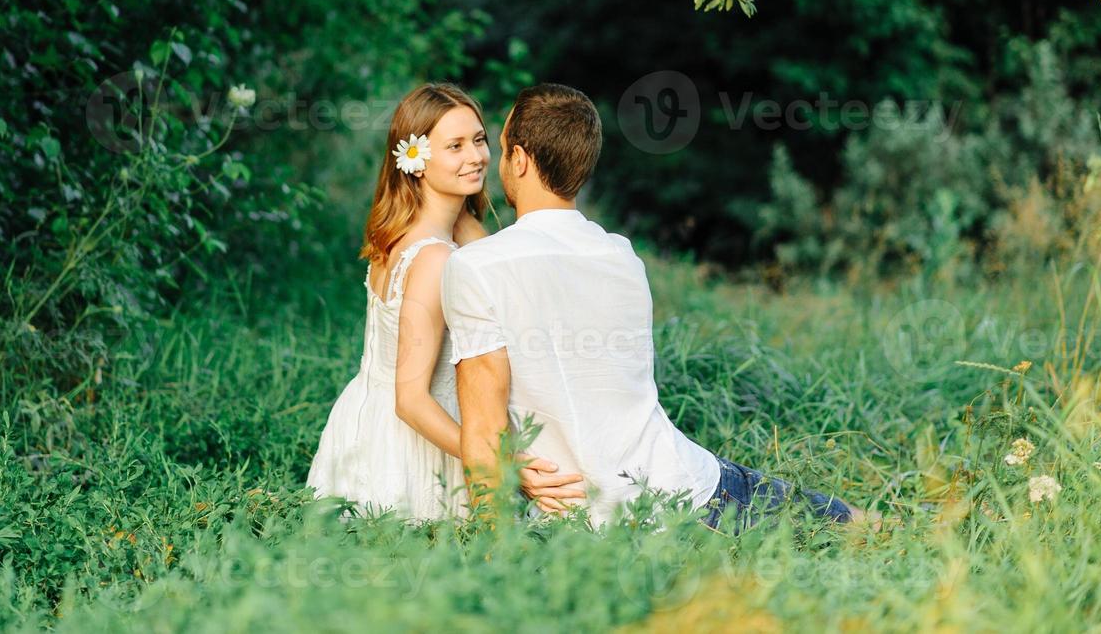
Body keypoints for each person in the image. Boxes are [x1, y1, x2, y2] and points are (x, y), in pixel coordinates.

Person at [443, 82, 868, 533]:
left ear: (521, 160)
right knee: (855, 525)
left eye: (504, 148)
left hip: (582, 517)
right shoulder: (622, 256)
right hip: (690, 489)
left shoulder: (474, 266)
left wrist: (494, 549)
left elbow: (485, 432)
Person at [306, 82, 587, 521]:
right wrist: (501, 464)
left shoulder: (443, 230)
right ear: (415, 161)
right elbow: (411, 400)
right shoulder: (434, 257)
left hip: (367, 419)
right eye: (454, 146)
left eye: (478, 140)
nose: (475, 156)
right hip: (412, 440)